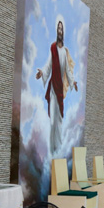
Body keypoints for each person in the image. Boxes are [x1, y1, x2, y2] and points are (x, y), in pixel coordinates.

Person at [36, 19, 79, 154]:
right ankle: (51, 151)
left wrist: (73, 82)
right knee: (52, 121)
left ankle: (58, 150)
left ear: (63, 32)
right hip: (53, 89)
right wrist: (42, 73)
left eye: (61, 29)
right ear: (56, 31)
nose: (60, 31)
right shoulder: (53, 48)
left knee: (59, 120)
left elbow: (67, 70)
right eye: (58, 29)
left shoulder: (64, 52)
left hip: (60, 89)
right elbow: (48, 65)